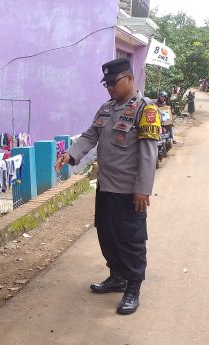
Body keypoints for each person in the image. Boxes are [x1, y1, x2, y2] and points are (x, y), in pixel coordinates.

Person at [55, 58, 160, 315]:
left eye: (114, 82)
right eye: (107, 84)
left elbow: (148, 154)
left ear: (129, 79)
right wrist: (71, 153)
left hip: (129, 190)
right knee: (107, 234)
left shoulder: (145, 110)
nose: (110, 87)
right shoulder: (106, 109)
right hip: (106, 186)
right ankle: (117, 275)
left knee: (131, 239)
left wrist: (143, 189)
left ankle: (133, 286)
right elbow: (91, 135)